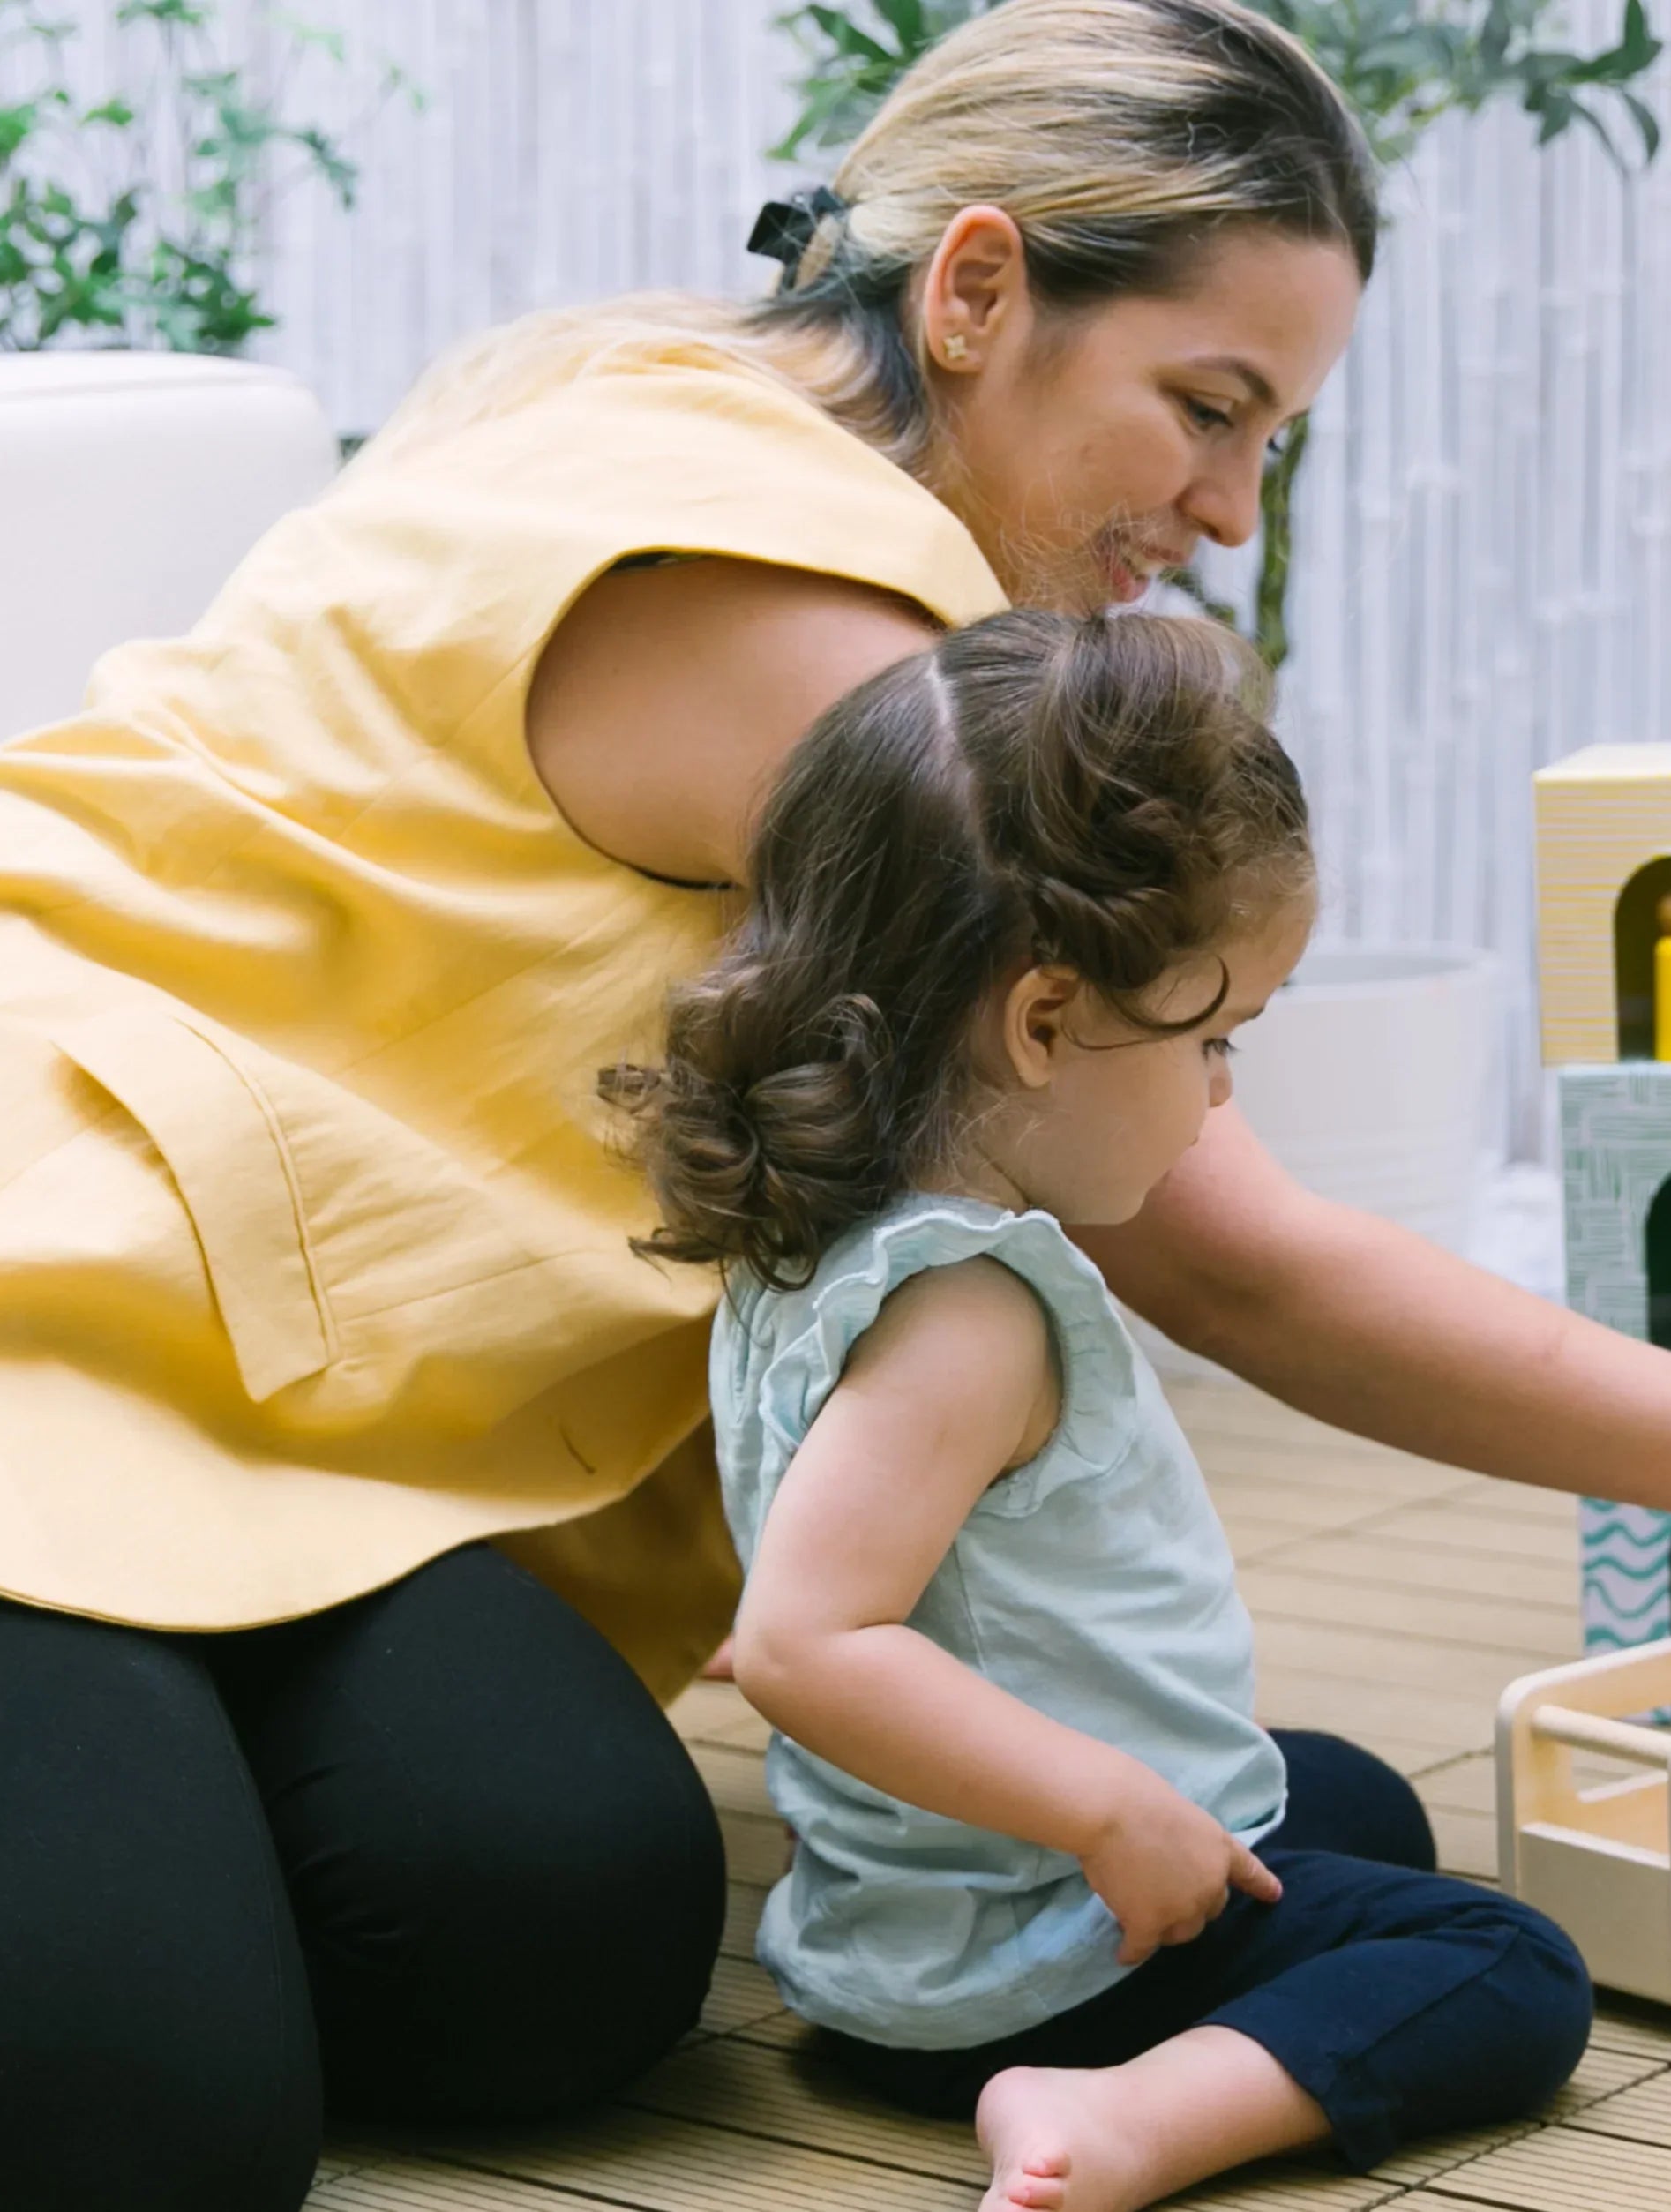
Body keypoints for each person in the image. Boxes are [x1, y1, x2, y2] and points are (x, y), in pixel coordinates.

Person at [0, 4, 1671, 2203]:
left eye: (1271, 439)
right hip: (47, 1297)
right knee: (139, 2129)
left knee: (559, 1955)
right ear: (980, 291)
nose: (1223, 510)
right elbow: (1242, 1253)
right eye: (1210, 412)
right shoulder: (817, 633)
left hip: (316, 1414)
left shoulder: (688, 422)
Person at [601, 604, 1587, 2211]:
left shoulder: (824, 1234)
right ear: (1045, 1019)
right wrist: (1110, 1808)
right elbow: (804, 1646)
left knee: (1346, 1796)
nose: (1220, 1093)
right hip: (1030, 1956)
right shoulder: (973, 1312)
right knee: (1503, 1965)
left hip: (908, 1921)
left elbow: (834, 1574)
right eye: (1210, 1037)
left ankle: (1111, 1994)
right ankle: (1122, 2119)